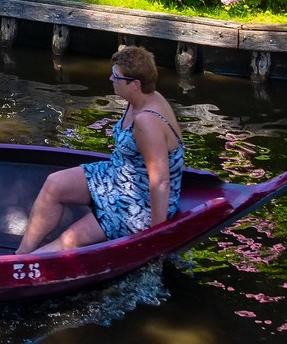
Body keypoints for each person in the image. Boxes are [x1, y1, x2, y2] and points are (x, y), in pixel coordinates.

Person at [15, 45, 184, 254]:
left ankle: (22, 269)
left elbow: (160, 181)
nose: (111, 79)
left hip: (138, 203)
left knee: (69, 238)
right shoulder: (141, 97)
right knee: (54, 184)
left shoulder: (147, 121)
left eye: (116, 76)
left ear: (135, 84)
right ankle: (20, 255)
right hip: (117, 176)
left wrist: (157, 237)